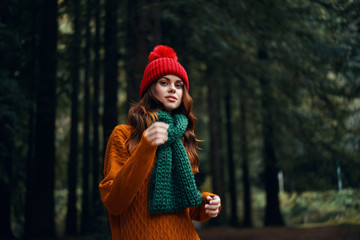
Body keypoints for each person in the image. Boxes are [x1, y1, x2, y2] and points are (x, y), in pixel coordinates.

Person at [99, 45, 221, 240]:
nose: (173, 88)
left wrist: (206, 203)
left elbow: (185, 207)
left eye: (179, 85)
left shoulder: (182, 139)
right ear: (150, 88)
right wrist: (146, 147)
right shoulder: (123, 135)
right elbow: (114, 202)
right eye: (164, 82)